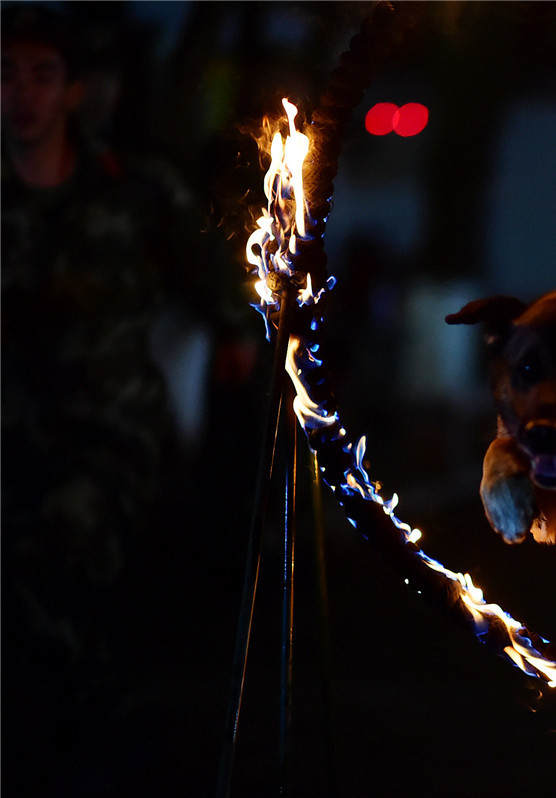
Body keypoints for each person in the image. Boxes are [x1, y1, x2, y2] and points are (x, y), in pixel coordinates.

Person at [0, 6, 248, 791]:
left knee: (55, 560)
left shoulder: (131, 187)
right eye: (6, 76)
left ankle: (101, 735)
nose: (23, 96)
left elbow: (214, 272)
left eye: (42, 76)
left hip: (109, 438)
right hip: (10, 437)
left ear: (73, 91)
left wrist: (237, 332)